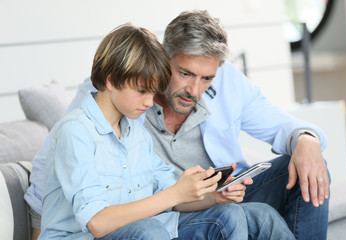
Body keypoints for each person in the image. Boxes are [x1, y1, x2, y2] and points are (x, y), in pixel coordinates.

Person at [25, 9, 328, 240]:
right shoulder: (89, 122)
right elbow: (94, 217)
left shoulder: (132, 132)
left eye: (207, 78)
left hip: (160, 214)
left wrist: (210, 195)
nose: (195, 91)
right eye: (184, 74)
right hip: (116, 227)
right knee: (153, 231)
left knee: (242, 214)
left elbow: (170, 192)